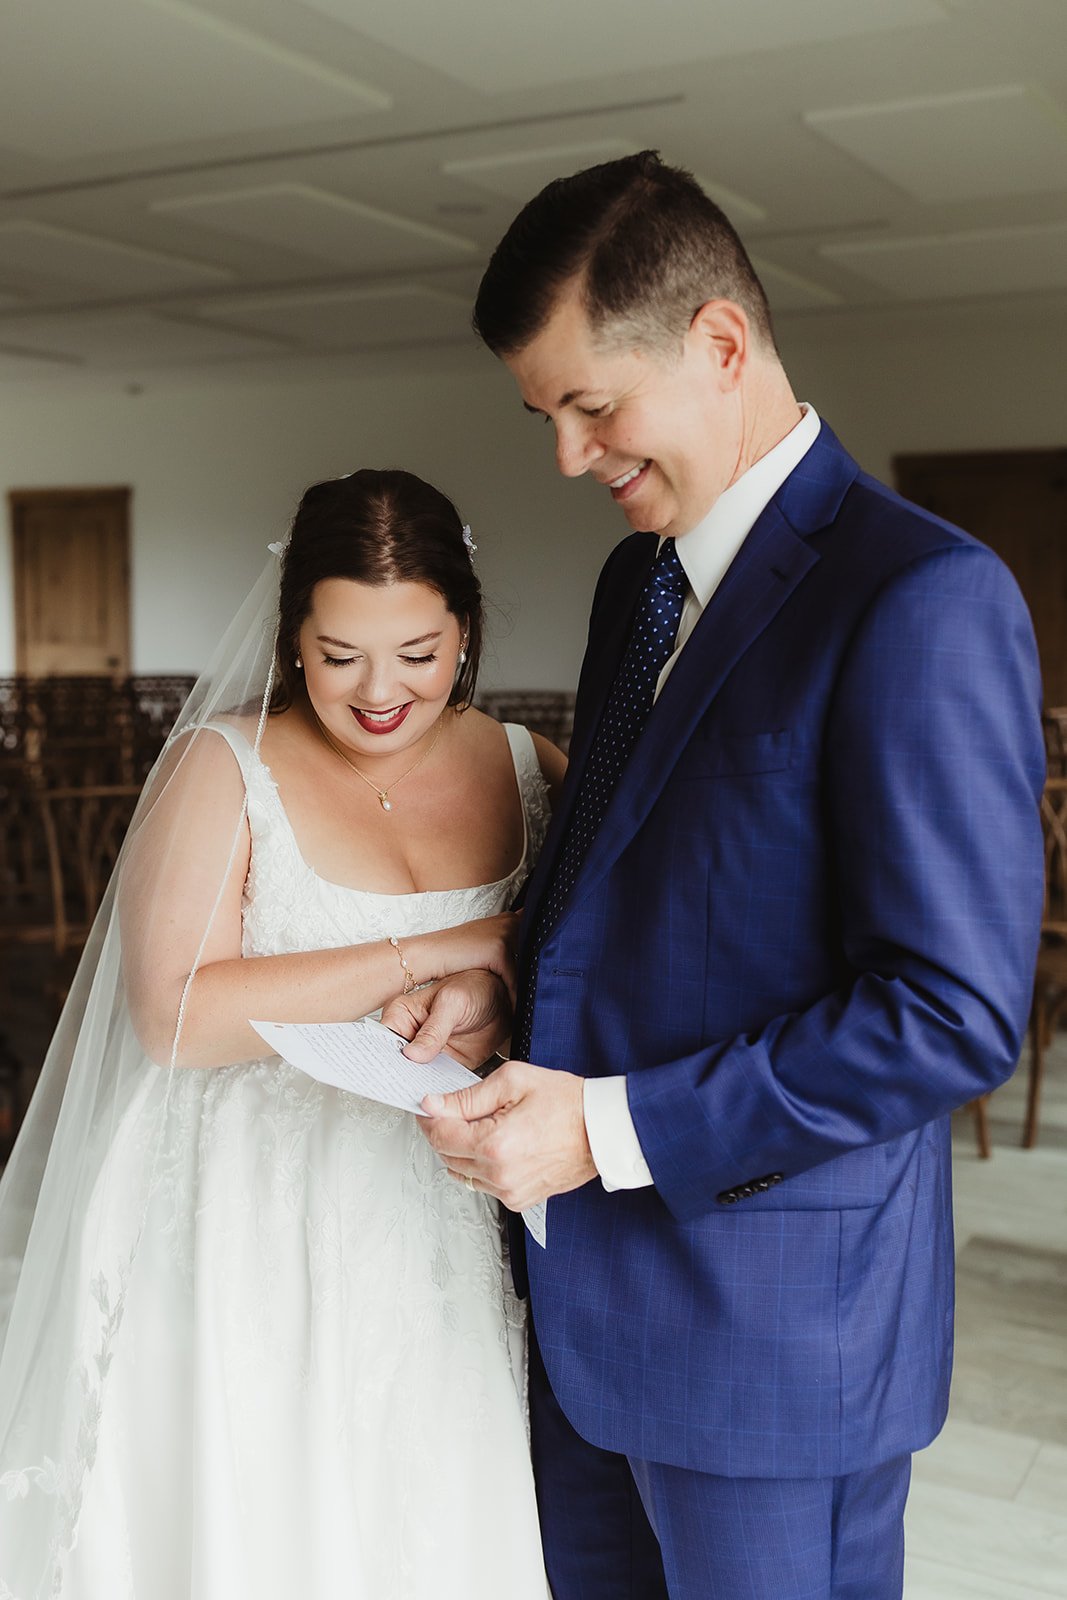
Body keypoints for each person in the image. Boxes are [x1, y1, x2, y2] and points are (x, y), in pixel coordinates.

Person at [388, 152, 1047, 1600]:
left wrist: (600, 1130)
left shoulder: (918, 596)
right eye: (544, 418)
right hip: (577, 1313)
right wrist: (507, 983)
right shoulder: (635, 584)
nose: (567, 457)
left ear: (722, 342)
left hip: (774, 1343)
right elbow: (637, 882)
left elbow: (945, 1016)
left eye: (591, 406)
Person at [0, 469, 564, 1599]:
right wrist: (446, 944)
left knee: (430, 1510)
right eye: (340, 653)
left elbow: (583, 983)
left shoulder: (530, 767)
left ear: (465, 631)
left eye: (418, 652)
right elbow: (173, 1016)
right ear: (293, 638)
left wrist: (493, 990)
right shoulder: (224, 765)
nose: (379, 690)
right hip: (246, 1208)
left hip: (442, 1210)